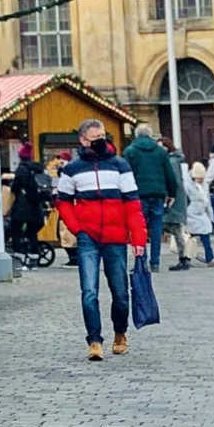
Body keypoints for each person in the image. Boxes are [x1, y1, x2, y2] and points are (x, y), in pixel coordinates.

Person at [55, 118, 148, 361]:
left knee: (120, 293)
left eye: (102, 137)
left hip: (116, 237)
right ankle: (94, 340)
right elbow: (62, 202)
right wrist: (78, 228)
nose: (100, 142)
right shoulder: (72, 169)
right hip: (88, 236)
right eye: (95, 138)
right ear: (83, 140)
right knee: (89, 291)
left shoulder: (120, 165)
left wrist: (138, 238)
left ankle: (120, 332)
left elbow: (133, 204)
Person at [123, 122, 178, 270]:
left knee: (139, 227)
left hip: (137, 194)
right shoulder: (160, 152)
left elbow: (125, 174)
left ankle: (142, 261)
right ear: (150, 135)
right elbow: (169, 173)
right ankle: (155, 262)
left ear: (136, 135)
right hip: (158, 193)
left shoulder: (130, 151)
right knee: (156, 228)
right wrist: (172, 193)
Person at [8, 143, 47, 254]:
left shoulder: (22, 169)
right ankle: (34, 255)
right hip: (36, 206)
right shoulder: (38, 168)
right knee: (32, 232)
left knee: (15, 230)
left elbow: (15, 188)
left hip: (22, 206)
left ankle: (18, 253)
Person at [159, 135, 190, 269]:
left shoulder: (171, 161)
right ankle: (184, 257)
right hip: (175, 198)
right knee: (175, 229)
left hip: (174, 199)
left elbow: (175, 181)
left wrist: (170, 196)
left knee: (175, 229)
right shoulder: (173, 160)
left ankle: (184, 258)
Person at [183, 162, 214, 265]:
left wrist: (210, 217)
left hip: (201, 213)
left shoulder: (204, 185)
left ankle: (210, 258)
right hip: (190, 214)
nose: (201, 180)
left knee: (205, 235)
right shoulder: (186, 185)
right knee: (188, 238)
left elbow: (208, 203)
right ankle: (186, 259)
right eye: (199, 178)